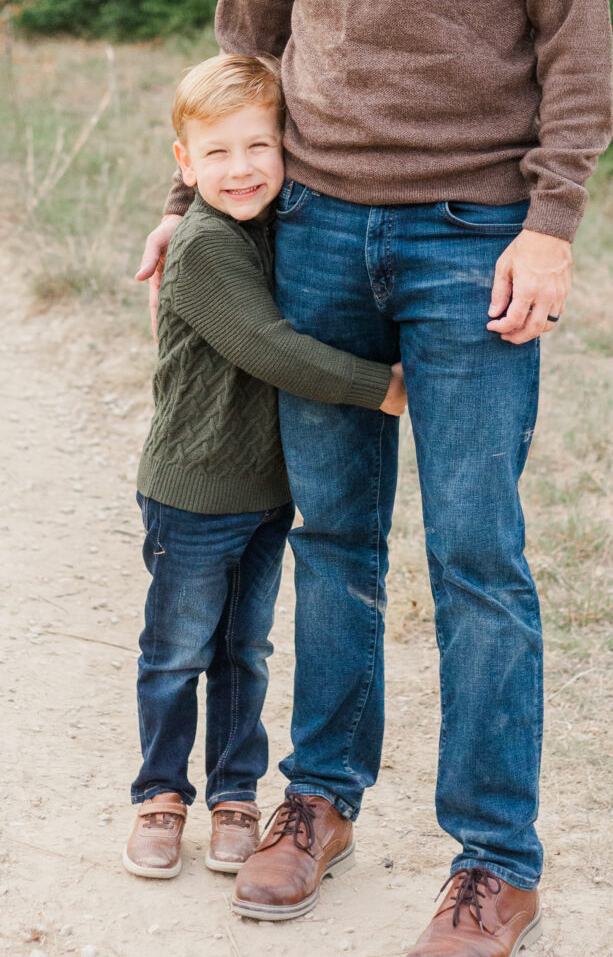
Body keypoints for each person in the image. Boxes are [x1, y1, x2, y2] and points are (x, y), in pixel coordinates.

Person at [137, 0, 613, 952]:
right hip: (312, 225)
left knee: (475, 554)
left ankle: (494, 860)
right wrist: (189, 205)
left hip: (473, 231)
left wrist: (552, 221)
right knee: (333, 535)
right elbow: (248, 37)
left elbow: (575, 40)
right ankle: (318, 798)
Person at [124, 53, 407, 881]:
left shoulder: (277, 226)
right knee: (177, 651)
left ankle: (234, 794)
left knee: (245, 651)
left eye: (259, 146)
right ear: (183, 164)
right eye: (216, 153)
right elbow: (265, 347)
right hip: (193, 491)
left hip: (265, 493)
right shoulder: (206, 243)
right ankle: (159, 795)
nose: (241, 169)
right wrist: (381, 389)